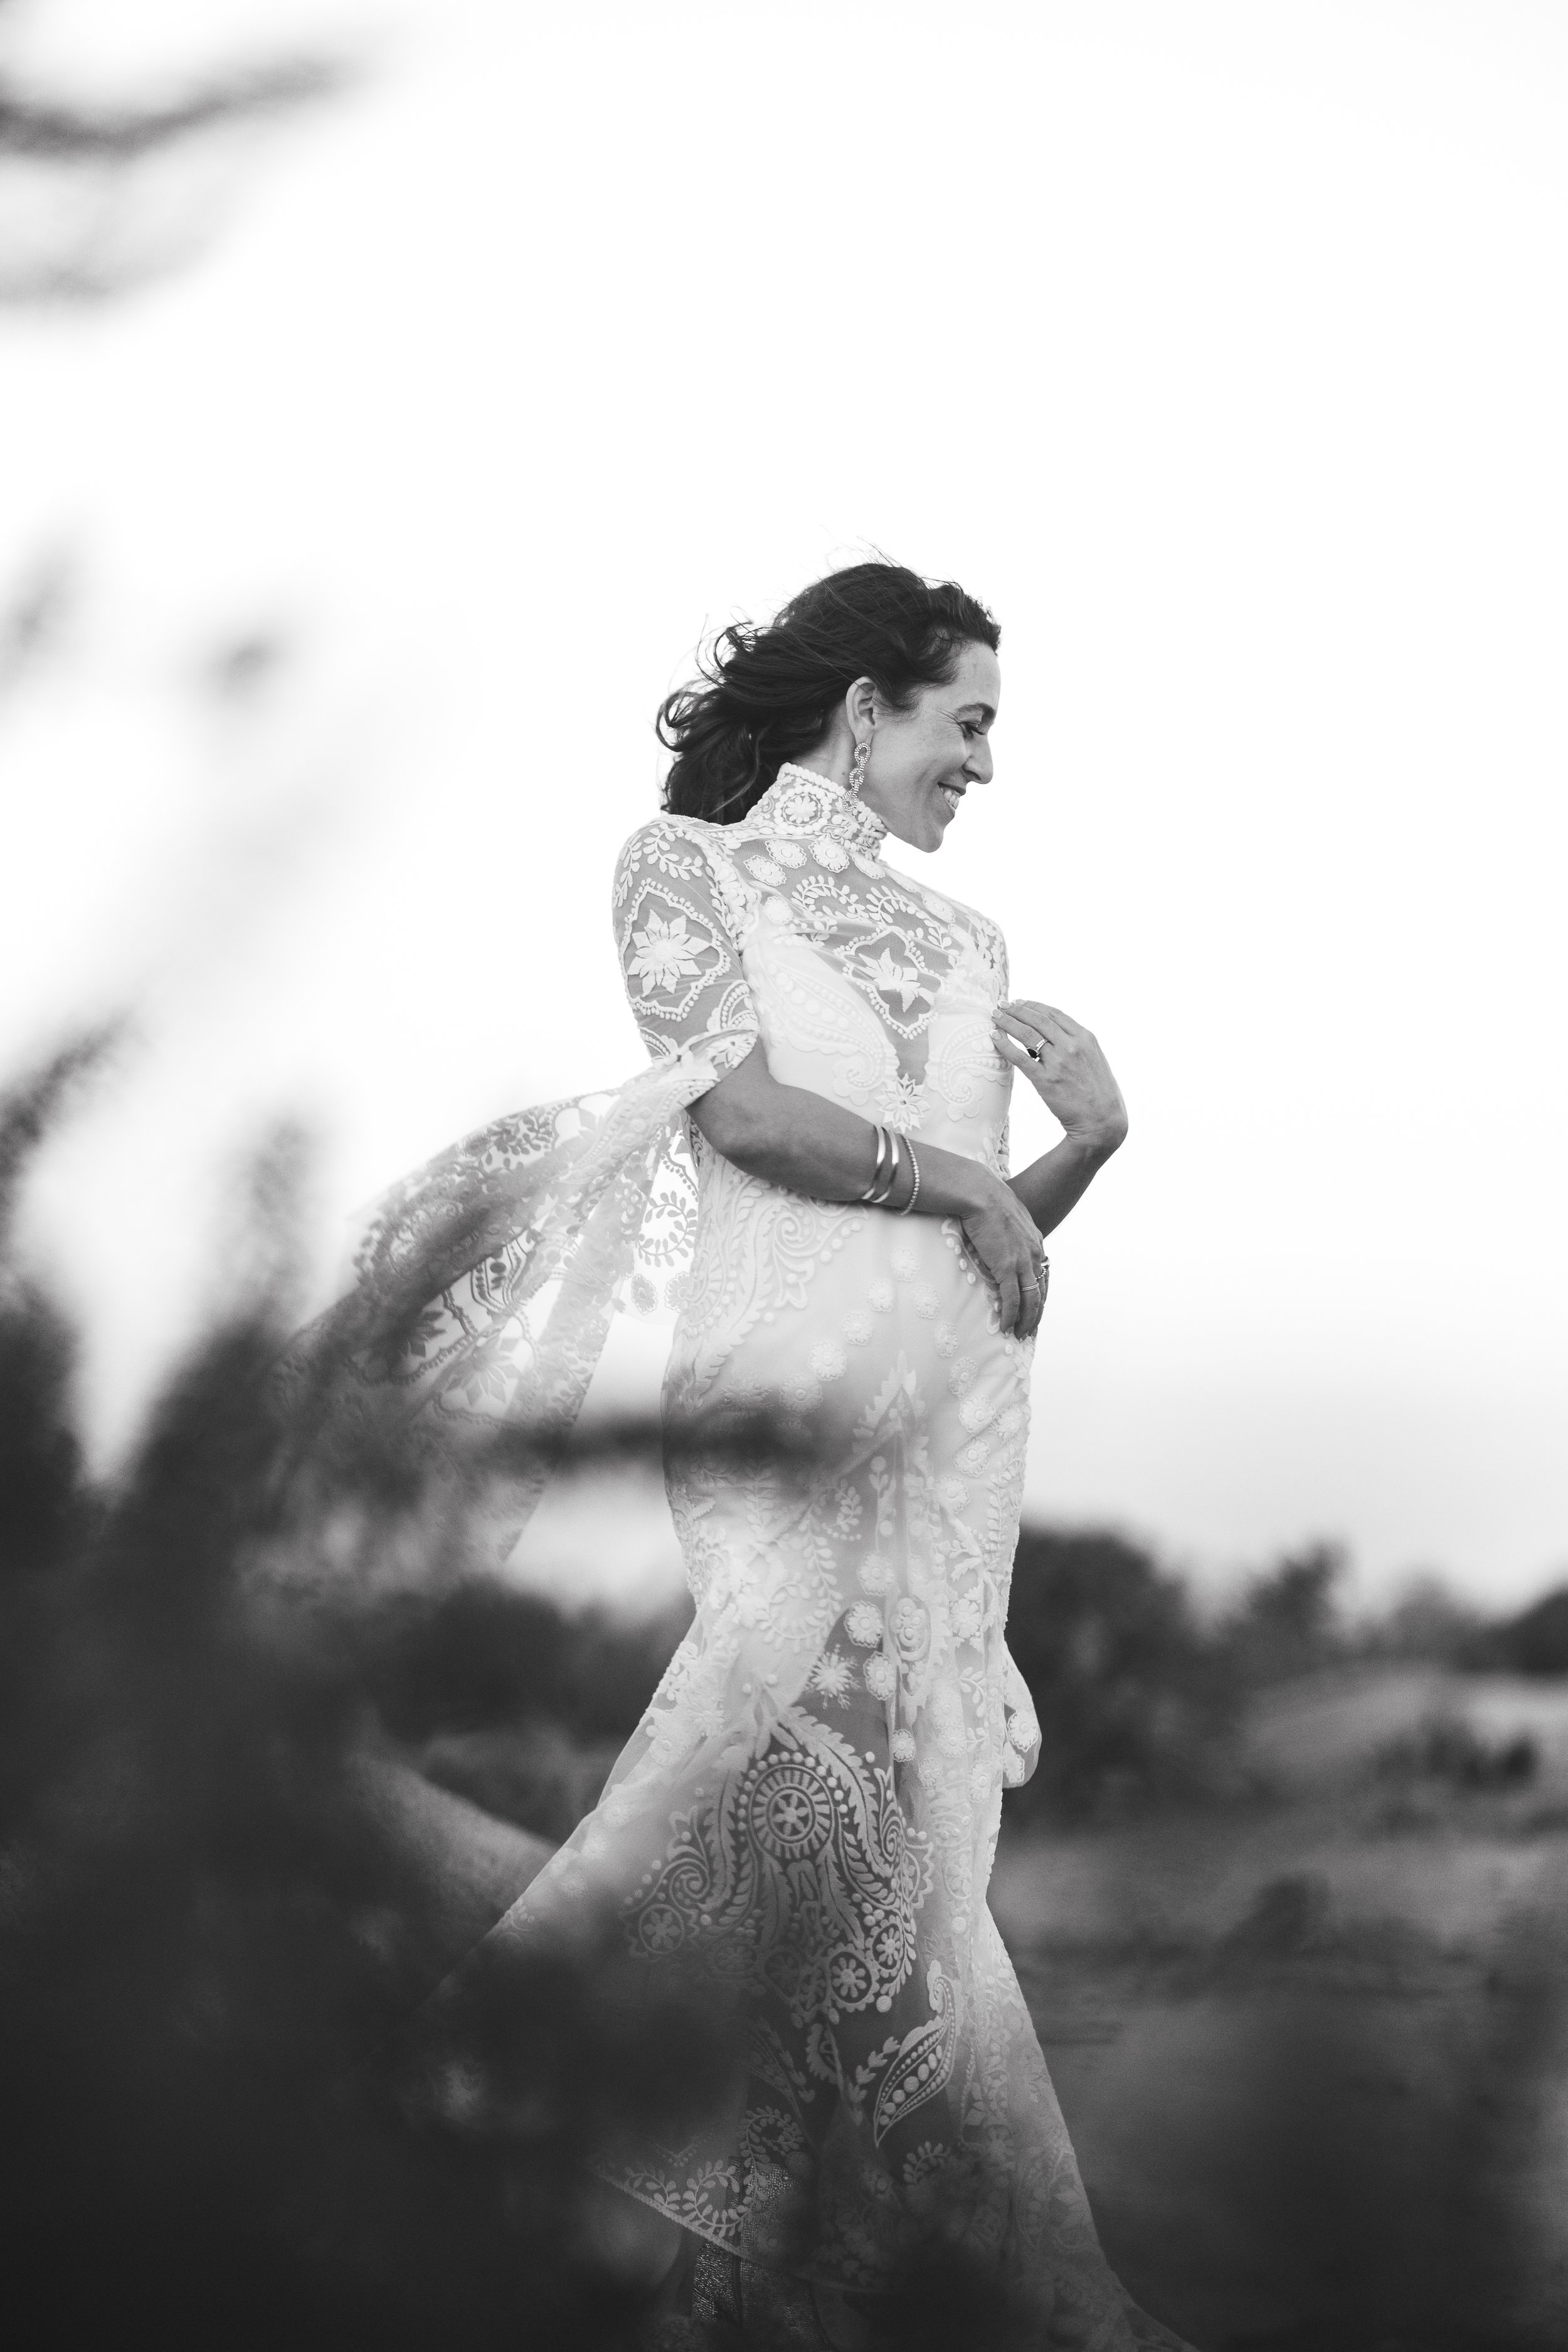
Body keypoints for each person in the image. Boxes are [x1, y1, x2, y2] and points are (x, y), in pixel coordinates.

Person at [314, 563, 1194, 2349]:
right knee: (750, 1720)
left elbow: (984, 1265)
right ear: (862, 709)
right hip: (768, 1420)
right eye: (967, 723)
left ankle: (741, 2267)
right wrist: (954, 1171)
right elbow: (738, 1111)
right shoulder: (682, 871)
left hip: (931, 1443)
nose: (985, 768)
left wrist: (1086, 1143)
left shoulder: (969, 947)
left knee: (898, 1856)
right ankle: (492, 2075)